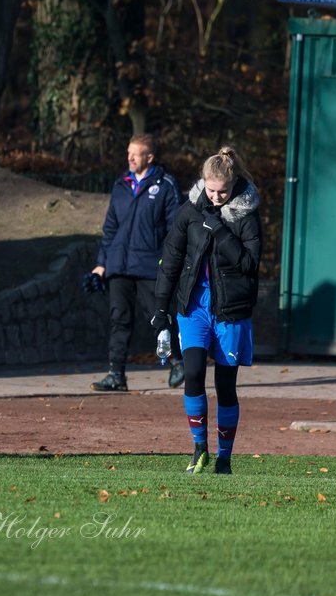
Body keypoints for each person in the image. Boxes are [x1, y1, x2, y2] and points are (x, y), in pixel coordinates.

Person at [152, 147, 261, 475]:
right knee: (194, 373)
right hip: (194, 309)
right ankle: (199, 448)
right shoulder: (189, 212)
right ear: (203, 182)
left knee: (226, 386)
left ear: (233, 183)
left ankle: (224, 458)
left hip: (230, 312)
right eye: (211, 190)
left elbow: (249, 265)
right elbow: (170, 261)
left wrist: (220, 229)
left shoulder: (247, 216)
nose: (215, 197)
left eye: (223, 191)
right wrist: (161, 309)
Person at [90, 134, 184, 392]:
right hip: (119, 265)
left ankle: (177, 361)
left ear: (149, 157)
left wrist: (168, 263)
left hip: (150, 265)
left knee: (159, 318)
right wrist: (101, 264)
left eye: (136, 153)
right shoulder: (121, 184)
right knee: (118, 319)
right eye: (128, 152)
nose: (129, 157)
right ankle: (116, 374)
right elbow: (110, 228)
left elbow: (175, 229)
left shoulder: (166, 185)